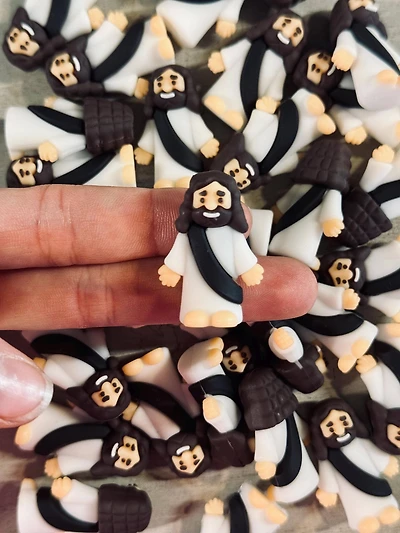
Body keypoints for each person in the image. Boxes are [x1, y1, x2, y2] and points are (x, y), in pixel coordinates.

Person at [0, 185, 317, 428]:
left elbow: (242, 255)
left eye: (218, 197)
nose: (210, 202)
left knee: (225, 303)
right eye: (204, 196)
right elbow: (178, 254)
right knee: (194, 304)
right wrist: (171, 270)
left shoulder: (230, 234)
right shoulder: (189, 233)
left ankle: (221, 313)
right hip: (195, 287)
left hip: (224, 286)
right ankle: (198, 314)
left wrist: (248, 269)